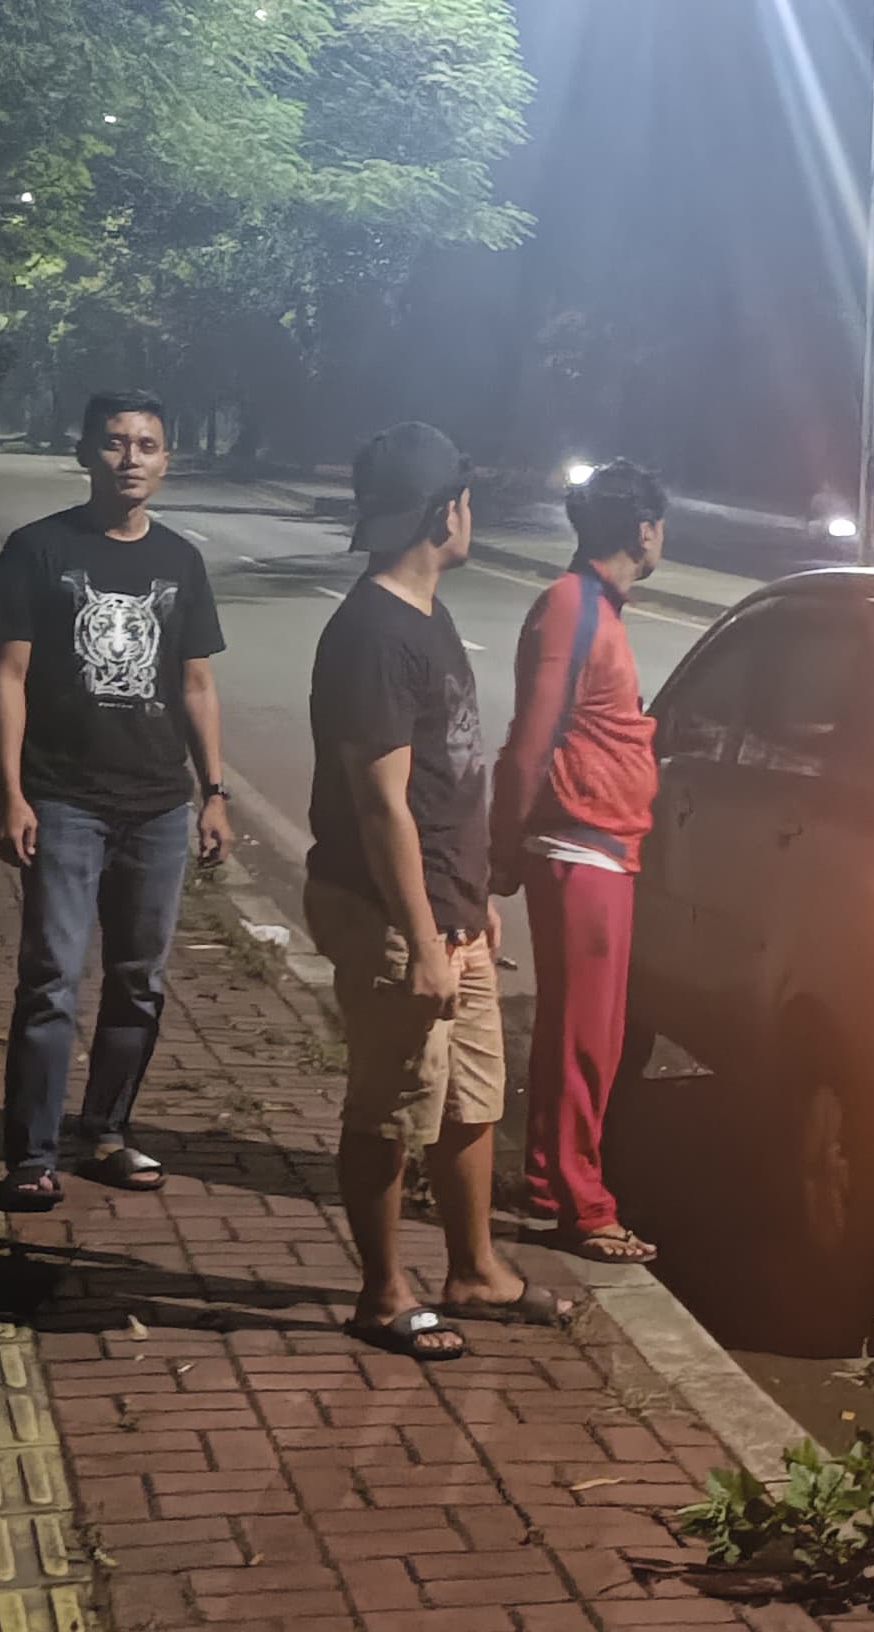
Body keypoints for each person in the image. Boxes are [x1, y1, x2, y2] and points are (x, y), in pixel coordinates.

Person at [303, 422, 565, 1361]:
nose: (471, 513)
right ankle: (382, 1294)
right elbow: (381, 806)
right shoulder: (374, 634)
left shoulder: (426, 614)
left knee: (471, 1097)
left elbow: (445, 783)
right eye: (465, 497)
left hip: (449, 905)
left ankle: (474, 1270)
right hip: (390, 911)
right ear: (442, 512)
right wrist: (419, 936)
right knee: (392, 1106)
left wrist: (473, 896)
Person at [0, 388, 231, 1212]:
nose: (131, 458)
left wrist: (214, 792)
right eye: (116, 442)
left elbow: (196, 684)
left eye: (147, 444)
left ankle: (109, 1132)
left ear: (166, 459)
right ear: (86, 452)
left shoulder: (181, 561)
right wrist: (10, 792)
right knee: (51, 977)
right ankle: (32, 1154)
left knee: (139, 979)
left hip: (158, 804)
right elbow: (7, 676)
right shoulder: (38, 549)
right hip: (64, 799)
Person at [488, 458, 669, 1267]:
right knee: (585, 1038)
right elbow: (530, 741)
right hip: (580, 846)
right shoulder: (572, 607)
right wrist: (502, 849)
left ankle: (547, 1181)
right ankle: (582, 1206)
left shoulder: (596, 608)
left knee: (583, 1029)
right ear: (645, 531)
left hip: (601, 847)